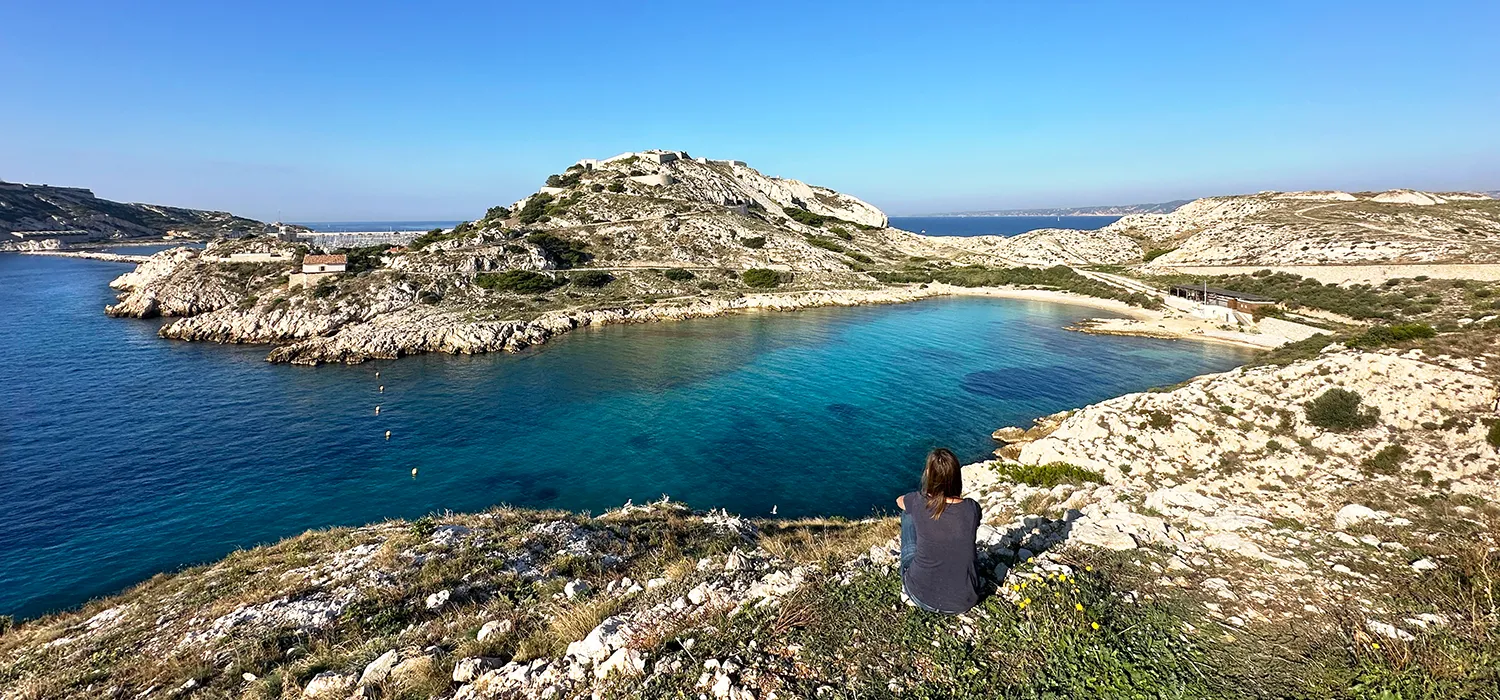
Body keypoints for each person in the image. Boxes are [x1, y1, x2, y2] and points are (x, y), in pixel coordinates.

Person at [895, 448, 980, 614]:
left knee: (907, 514)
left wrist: (926, 496)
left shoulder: (919, 501)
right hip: (965, 600)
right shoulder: (972, 508)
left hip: (920, 595)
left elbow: (898, 501)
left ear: (929, 476)